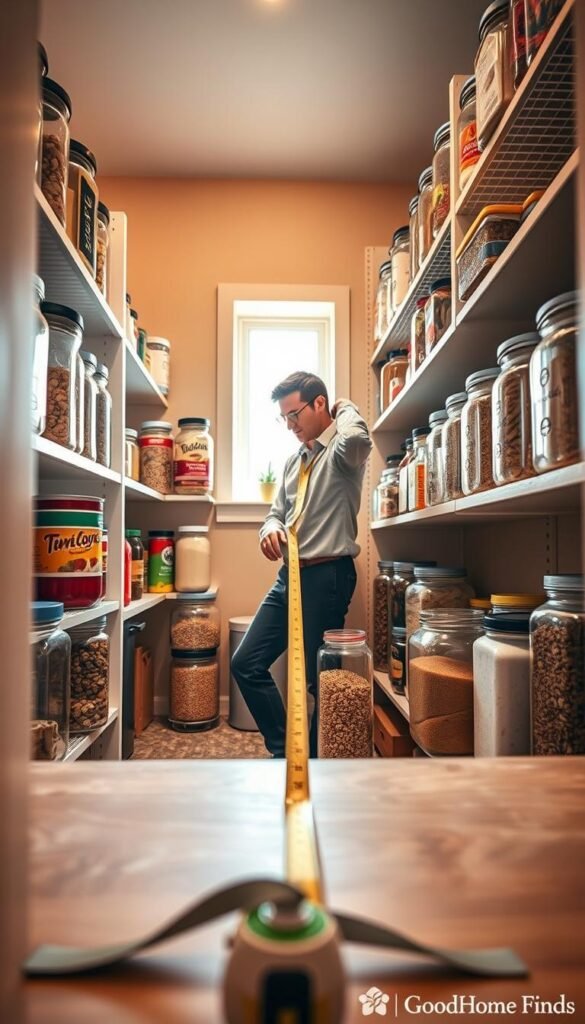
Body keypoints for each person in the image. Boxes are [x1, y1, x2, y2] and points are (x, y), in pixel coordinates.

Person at [231, 370, 372, 758]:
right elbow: (276, 514)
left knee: (317, 681)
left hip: (328, 575)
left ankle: (315, 762)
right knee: (246, 662)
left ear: (320, 404)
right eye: (285, 418)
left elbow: (360, 438)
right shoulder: (295, 462)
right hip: (289, 576)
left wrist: (345, 406)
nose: (290, 425)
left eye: (295, 415)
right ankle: (286, 753)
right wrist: (268, 531)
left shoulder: (343, 453)